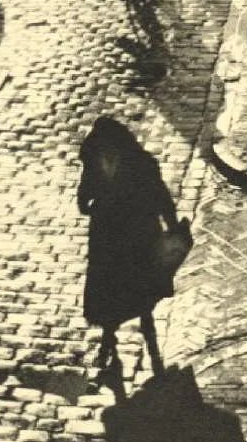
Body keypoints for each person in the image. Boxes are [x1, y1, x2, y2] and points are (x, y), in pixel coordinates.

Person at [77, 117, 179, 373]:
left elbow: (160, 196)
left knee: (125, 283)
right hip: (120, 236)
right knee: (115, 286)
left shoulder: (135, 165)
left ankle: (129, 329)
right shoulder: (104, 162)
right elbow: (84, 192)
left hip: (127, 236)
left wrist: (173, 224)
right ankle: (117, 335)